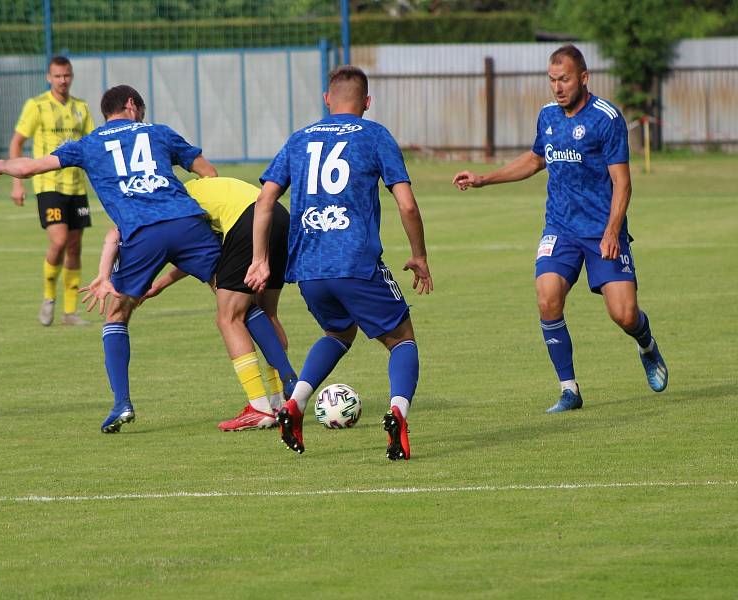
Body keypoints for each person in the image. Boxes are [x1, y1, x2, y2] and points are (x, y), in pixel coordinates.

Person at [0, 85, 222, 433]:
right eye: (140, 108)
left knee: (116, 313)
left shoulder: (90, 143)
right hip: (185, 225)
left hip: (141, 235)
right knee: (238, 300)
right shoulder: (158, 132)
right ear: (131, 105)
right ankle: (285, 390)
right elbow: (210, 175)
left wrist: (2, 165)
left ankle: (122, 402)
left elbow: (32, 167)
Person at [452, 44, 668, 413]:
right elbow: (537, 158)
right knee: (547, 297)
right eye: (552, 80)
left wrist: (613, 230)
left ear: (583, 78)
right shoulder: (548, 115)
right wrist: (485, 178)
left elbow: (623, 183)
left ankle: (646, 344)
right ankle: (569, 389)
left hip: (602, 230)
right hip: (561, 227)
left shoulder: (606, 118)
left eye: (564, 79)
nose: (557, 87)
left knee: (624, 314)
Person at [245, 65, 433, 461]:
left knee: (338, 333)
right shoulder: (375, 134)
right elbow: (407, 204)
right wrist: (419, 255)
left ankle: (293, 404)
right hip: (356, 263)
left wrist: (261, 259)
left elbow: (264, 200)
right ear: (367, 102)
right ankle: (398, 412)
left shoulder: (300, 139)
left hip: (309, 268)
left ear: (327, 99)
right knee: (402, 339)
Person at [83, 176, 298, 432]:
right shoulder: (193, 190)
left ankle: (260, 407)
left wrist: (109, 275)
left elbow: (180, 245)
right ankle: (280, 399)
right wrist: (161, 284)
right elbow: (195, 249)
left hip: (248, 220)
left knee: (230, 316)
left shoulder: (172, 201)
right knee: (265, 311)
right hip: (276, 214)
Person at [9, 56, 95, 326]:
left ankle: (70, 313)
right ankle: (48, 297)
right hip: (48, 185)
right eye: (57, 76)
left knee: (74, 246)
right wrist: (17, 182)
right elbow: (17, 142)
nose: (63, 81)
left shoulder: (81, 107)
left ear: (72, 76)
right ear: (49, 77)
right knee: (58, 241)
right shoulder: (37, 106)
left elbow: (92, 145)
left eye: (67, 75)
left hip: (76, 186)